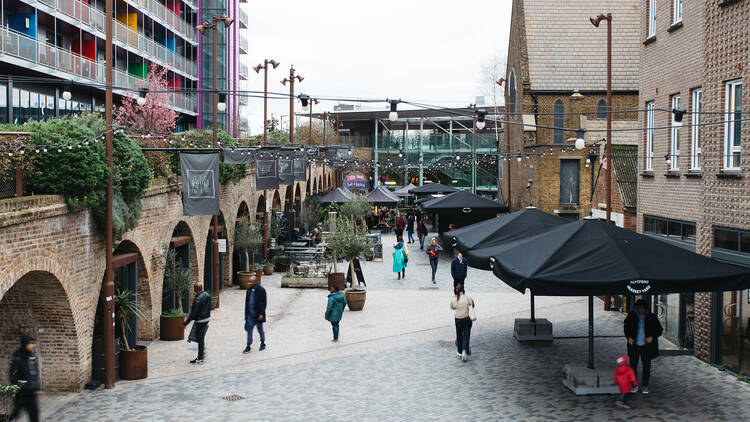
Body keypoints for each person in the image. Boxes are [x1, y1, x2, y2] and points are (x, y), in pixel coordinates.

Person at [624, 299, 663, 394]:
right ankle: (634, 385)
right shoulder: (632, 316)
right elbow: (626, 328)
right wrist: (628, 337)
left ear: (646, 308)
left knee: (646, 366)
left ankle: (645, 385)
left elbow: (659, 330)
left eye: (642, 308)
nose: (641, 310)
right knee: (633, 366)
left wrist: (652, 337)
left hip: (647, 346)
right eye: (639, 308)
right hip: (634, 345)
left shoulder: (651, 317)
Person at [9, 335, 41, 422]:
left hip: (31, 392)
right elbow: (12, 375)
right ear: (25, 344)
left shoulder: (31, 357)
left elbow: (34, 373)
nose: (33, 345)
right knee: (15, 414)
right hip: (21, 393)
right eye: (31, 343)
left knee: (34, 415)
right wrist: (18, 388)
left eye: (33, 343)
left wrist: (37, 388)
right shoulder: (18, 358)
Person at [184, 283, 211, 364]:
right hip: (206, 318)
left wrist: (185, 323)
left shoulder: (198, 299)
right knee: (200, 337)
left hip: (200, 320)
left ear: (195, 289)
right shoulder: (206, 294)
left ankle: (200, 358)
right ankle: (202, 353)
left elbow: (193, 313)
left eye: (194, 288)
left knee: (200, 338)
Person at [450, 284, 475, 362]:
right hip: (466, 318)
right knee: (466, 335)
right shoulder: (468, 297)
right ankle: (464, 349)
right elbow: (473, 305)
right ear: (463, 291)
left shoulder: (454, 299)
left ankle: (459, 351)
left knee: (459, 334)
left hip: (458, 319)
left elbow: (452, 307)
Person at [243, 276, 268, 353]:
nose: (249, 283)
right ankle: (248, 346)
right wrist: (246, 315)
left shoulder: (261, 290)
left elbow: (264, 303)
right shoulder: (249, 290)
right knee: (249, 331)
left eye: (251, 282)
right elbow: (246, 303)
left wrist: (261, 314)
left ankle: (262, 343)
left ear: (255, 282)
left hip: (258, 315)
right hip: (250, 315)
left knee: (260, 330)